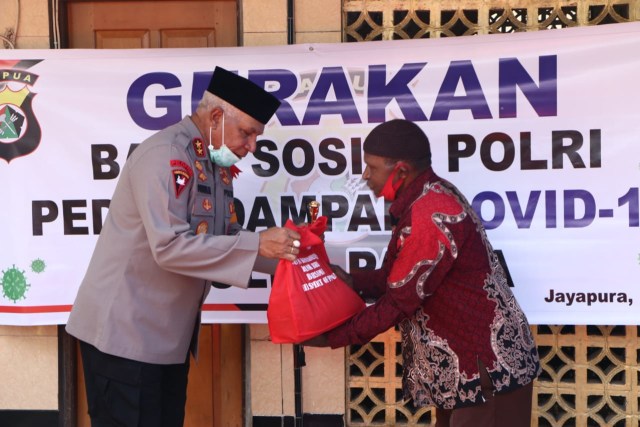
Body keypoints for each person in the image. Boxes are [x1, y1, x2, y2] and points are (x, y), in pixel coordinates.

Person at [66, 66, 301, 427]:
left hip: (166, 336)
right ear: (217, 116)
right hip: (125, 335)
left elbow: (222, 240)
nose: (252, 147)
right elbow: (170, 246)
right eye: (248, 133)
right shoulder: (166, 155)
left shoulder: (214, 166)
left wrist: (294, 258)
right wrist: (260, 243)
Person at [303, 119, 541, 427]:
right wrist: (349, 281)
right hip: (464, 375)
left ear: (400, 170)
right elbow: (395, 277)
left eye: (372, 168)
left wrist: (330, 338)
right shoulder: (421, 200)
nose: (365, 176)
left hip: (487, 371)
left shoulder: (431, 213)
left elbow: (399, 301)